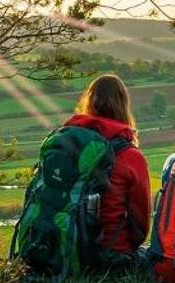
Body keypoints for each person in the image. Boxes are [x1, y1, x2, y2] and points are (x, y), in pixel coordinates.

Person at [64, 74, 151, 271]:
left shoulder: (68, 141)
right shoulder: (130, 156)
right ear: (123, 105)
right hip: (109, 256)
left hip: (63, 248)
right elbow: (140, 224)